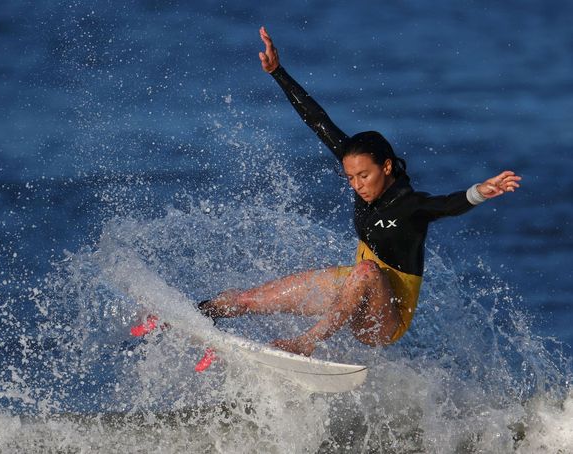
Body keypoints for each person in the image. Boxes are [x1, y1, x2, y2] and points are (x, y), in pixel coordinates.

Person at [197, 27, 521, 357]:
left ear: (387, 167)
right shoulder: (357, 171)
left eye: (364, 176)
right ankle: (197, 313)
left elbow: (449, 205)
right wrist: (278, 72)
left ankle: (305, 344)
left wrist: (481, 190)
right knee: (251, 299)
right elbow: (317, 120)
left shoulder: (411, 205)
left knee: (366, 271)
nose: (357, 185)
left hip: (386, 318)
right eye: (350, 177)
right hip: (352, 290)